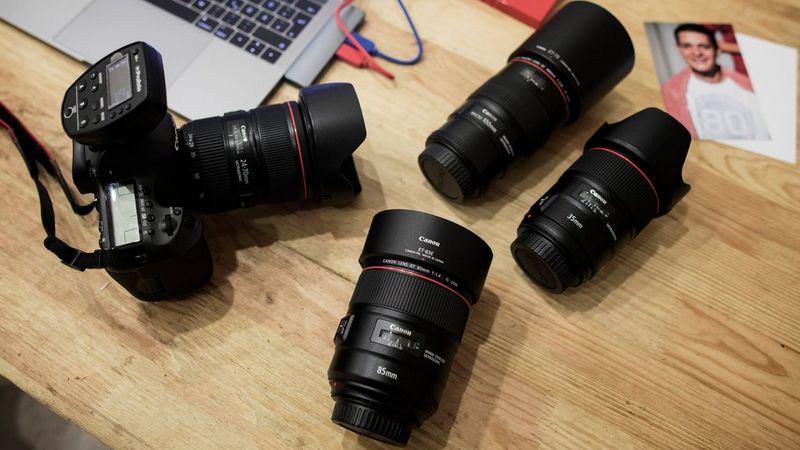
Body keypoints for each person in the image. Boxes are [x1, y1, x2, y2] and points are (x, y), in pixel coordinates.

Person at [661, 23, 769, 140]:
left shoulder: (750, 87)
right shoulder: (670, 92)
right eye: (687, 46)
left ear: (717, 50)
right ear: (678, 49)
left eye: (704, 46)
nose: (697, 53)